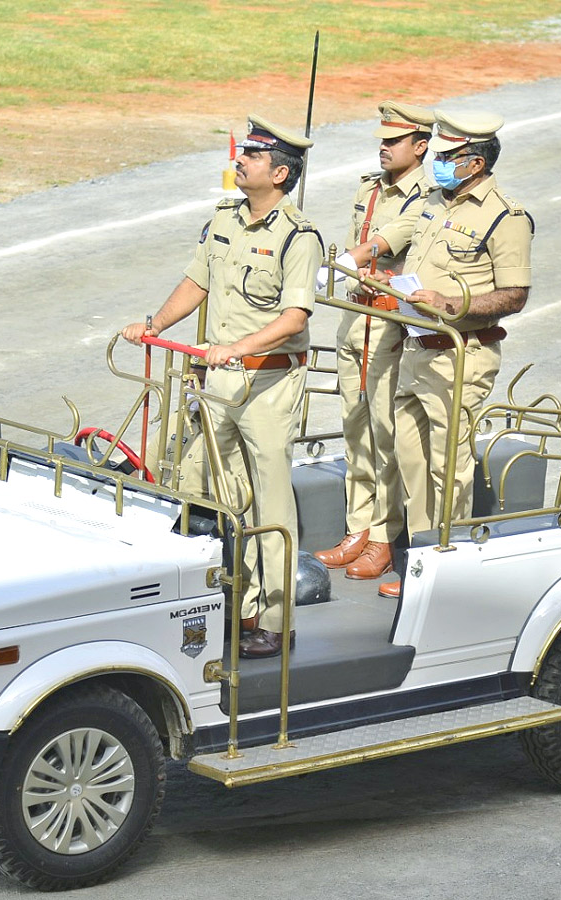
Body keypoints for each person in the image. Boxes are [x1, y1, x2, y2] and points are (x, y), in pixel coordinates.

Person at [122, 114, 321, 658]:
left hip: (268, 381)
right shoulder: (224, 219)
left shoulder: (298, 237)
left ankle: (275, 622)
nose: (241, 160)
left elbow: (295, 317)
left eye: (254, 157)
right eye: (244, 153)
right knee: (201, 483)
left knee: (269, 502)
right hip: (219, 381)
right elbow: (197, 280)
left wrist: (238, 347)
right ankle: (231, 603)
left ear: (280, 174)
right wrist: (156, 323)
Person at [379, 109, 534, 599]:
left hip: (460, 354)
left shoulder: (505, 216)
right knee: (411, 460)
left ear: (475, 162)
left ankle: (448, 572)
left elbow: (514, 294)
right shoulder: (432, 202)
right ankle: (422, 562)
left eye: (448, 158)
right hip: (416, 349)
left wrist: (453, 304)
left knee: (449, 466)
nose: (439, 164)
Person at [313, 101, 434, 582]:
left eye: (394, 141)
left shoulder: (427, 195)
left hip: (388, 326)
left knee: (388, 435)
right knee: (355, 430)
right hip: (354, 322)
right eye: (382, 141)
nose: (383, 148)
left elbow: (398, 246)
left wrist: (352, 264)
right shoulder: (370, 188)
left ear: (420, 145)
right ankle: (357, 527)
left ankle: (385, 535)